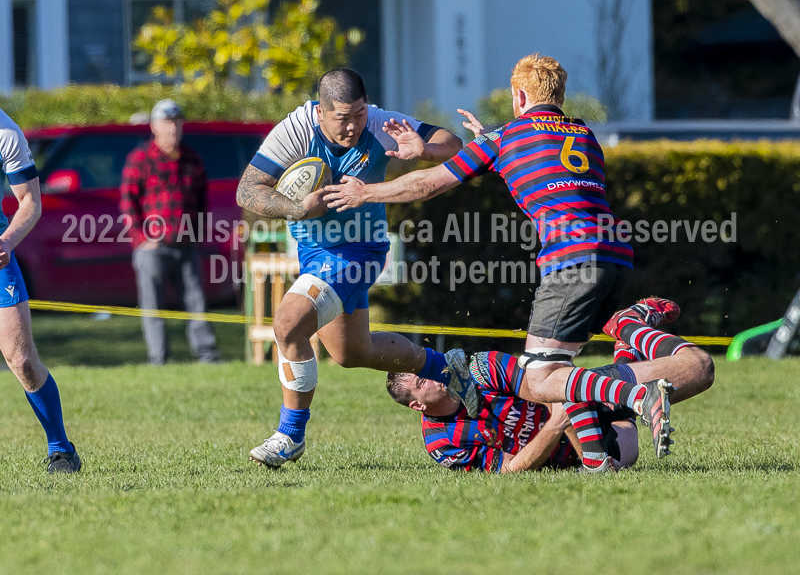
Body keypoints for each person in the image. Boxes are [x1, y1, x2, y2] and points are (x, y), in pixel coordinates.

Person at [325, 54, 642, 468]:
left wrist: (365, 193)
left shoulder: (505, 138)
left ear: (520, 94)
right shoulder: (582, 132)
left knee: (542, 375)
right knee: (566, 377)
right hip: (617, 255)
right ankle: (633, 352)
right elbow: (542, 164)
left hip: (571, 258)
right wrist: (491, 141)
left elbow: (427, 183)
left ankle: (635, 393)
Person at [236, 68, 478, 468]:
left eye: (359, 115)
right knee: (352, 352)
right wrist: (296, 208)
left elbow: (452, 143)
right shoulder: (295, 130)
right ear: (320, 112)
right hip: (315, 254)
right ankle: (448, 368)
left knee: (287, 324)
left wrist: (424, 150)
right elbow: (248, 191)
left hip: (360, 252)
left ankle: (289, 435)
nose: (353, 127)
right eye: (343, 118)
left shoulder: (380, 124)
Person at [386, 298, 714, 473]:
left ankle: (629, 327)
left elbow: (558, 389)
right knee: (628, 445)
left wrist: (573, 431)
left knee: (699, 368)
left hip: (584, 394)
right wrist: (556, 427)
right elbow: (511, 469)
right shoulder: (442, 443)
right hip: (576, 431)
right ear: (418, 405)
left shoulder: (479, 368)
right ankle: (626, 340)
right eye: (422, 378)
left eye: (427, 365)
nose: (435, 372)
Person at [0, 108, 81, 473]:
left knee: (21, 359)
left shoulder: (6, 132)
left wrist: (7, 241)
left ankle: (61, 450)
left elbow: (30, 201)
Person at [120, 99, 221, 366]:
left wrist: (197, 236)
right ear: (154, 127)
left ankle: (207, 355)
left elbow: (201, 201)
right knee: (153, 306)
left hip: (186, 245)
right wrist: (142, 240)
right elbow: (128, 204)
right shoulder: (139, 159)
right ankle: (159, 359)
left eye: (176, 122)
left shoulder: (192, 159)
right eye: (166, 123)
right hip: (153, 247)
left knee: (196, 303)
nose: (172, 129)